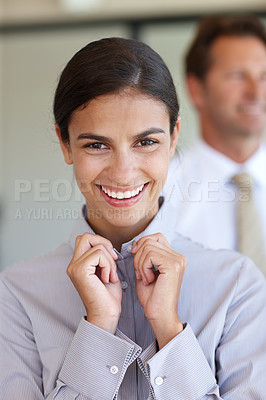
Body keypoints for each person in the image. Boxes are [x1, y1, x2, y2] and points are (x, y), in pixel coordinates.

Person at [0, 37, 265, 400]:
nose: (123, 173)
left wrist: (170, 330)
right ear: (65, 143)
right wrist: (98, 329)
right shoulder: (15, 295)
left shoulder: (237, 286)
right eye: (96, 144)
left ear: (173, 138)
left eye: (146, 142)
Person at [164, 16, 266, 275]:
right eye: (237, 76)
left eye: (264, 75)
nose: (256, 91)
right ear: (196, 89)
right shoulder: (163, 192)